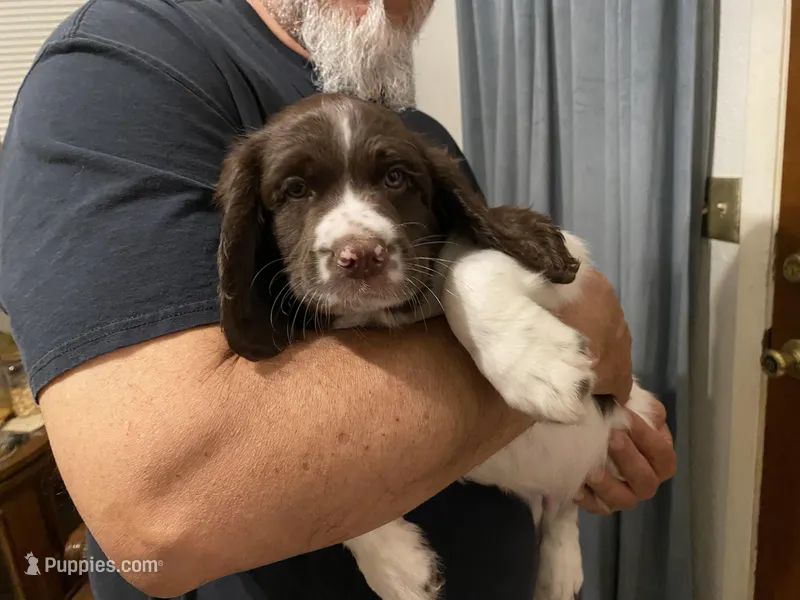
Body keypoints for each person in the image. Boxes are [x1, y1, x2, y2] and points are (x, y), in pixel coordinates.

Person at [0, 1, 676, 599]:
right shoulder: (123, 62)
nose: (359, 239)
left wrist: (581, 455)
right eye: (298, 190)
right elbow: (163, 517)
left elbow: (486, 263)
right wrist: (567, 340)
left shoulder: (416, 129)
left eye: (396, 182)